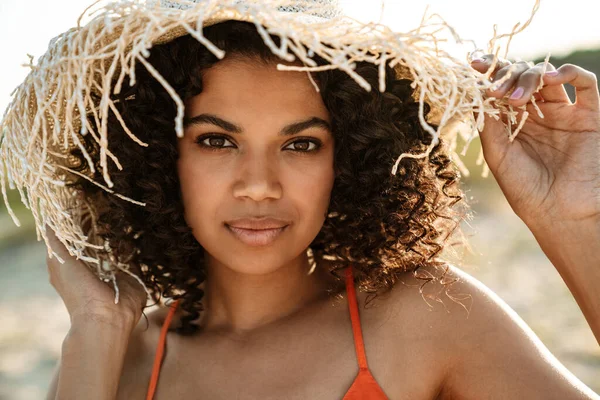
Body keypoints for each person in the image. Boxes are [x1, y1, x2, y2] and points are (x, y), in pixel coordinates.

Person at [0, 1, 597, 399]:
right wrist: (97, 326)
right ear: (158, 157)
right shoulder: (115, 360)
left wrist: (571, 221)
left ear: (351, 159)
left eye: (302, 144)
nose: (259, 183)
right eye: (216, 140)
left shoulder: (424, 318)